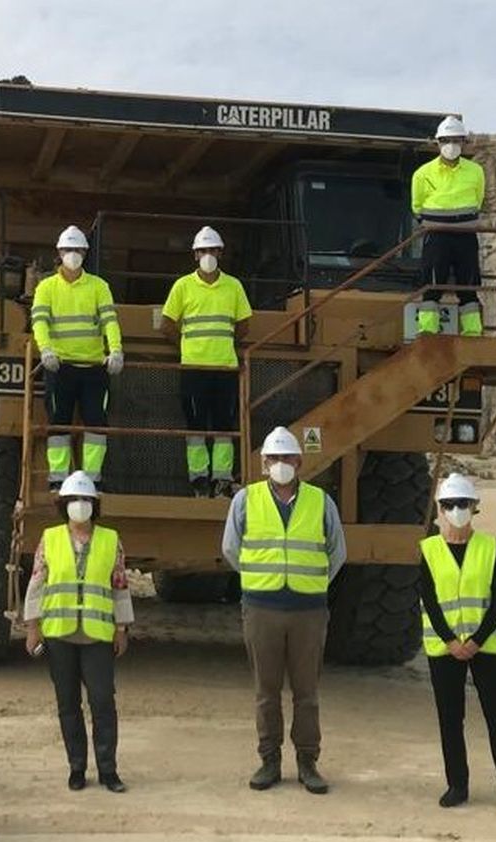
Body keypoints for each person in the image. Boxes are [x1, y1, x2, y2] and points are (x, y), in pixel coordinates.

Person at [222, 426, 346, 794]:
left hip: (308, 611)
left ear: (299, 462)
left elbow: (337, 552)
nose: (280, 464)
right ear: (263, 464)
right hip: (262, 609)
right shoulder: (245, 500)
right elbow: (231, 548)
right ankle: (269, 760)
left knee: (307, 693)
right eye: (273, 458)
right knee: (266, 692)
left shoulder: (321, 501)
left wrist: (313, 582)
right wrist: (259, 579)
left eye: (287, 458)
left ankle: (308, 761)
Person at [22, 471, 133, 793]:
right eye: (74, 500)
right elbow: (37, 584)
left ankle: (108, 770)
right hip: (60, 635)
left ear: (95, 505)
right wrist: (33, 627)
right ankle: (77, 768)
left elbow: (120, 586)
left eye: (86, 500)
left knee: (102, 703)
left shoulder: (110, 540)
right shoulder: (50, 538)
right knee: (68, 705)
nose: (80, 505)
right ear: (64, 505)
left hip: (97, 636)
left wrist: (121, 628)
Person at [419, 473, 496, 816]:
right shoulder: (429, 549)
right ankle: (457, 785)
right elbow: (429, 600)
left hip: (487, 647)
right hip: (445, 649)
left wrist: (475, 641)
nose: (457, 510)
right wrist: (451, 641)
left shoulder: (490, 547)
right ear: (440, 509)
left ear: (475, 506)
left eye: (463, 504)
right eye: (450, 505)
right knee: (450, 719)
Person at [162, 225, 253, 498]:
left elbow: (244, 324)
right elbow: (167, 324)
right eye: (203, 251)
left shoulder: (233, 286)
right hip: (194, 368)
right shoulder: (183, 286)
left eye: (212, 250)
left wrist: (224, 345)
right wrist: (187, 347)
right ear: (195, 255)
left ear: (220, 253)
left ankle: (222, 479)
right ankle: (199, 479)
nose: (208, 255)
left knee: (225, 426)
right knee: (196, 426)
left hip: (225, 368)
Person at [31, 225, 124, 490]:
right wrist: (45, 350)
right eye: (68, 250)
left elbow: (110, 321)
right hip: (60, 367)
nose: (73, 254)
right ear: (59, 253)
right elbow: (39, 322)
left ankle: (93, 479)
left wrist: (116, 350)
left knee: (96, 425)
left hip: (94, 368)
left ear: (85, 253)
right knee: (58, 424)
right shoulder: (46, 287)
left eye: (78, 250)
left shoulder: (99, 286)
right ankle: (58, 479)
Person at [411, 115, 486, 338]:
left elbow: (478, 200)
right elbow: (417, 205)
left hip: (465, 235)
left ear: (463, 142)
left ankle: (473, 332)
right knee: (432, 285)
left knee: (468, 286)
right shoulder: (423, 173)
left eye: (455, 140)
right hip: (436, 235)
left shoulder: (475, 171)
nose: (451, 145)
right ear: (438, 143)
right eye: (446, 140)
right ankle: (428, 330)